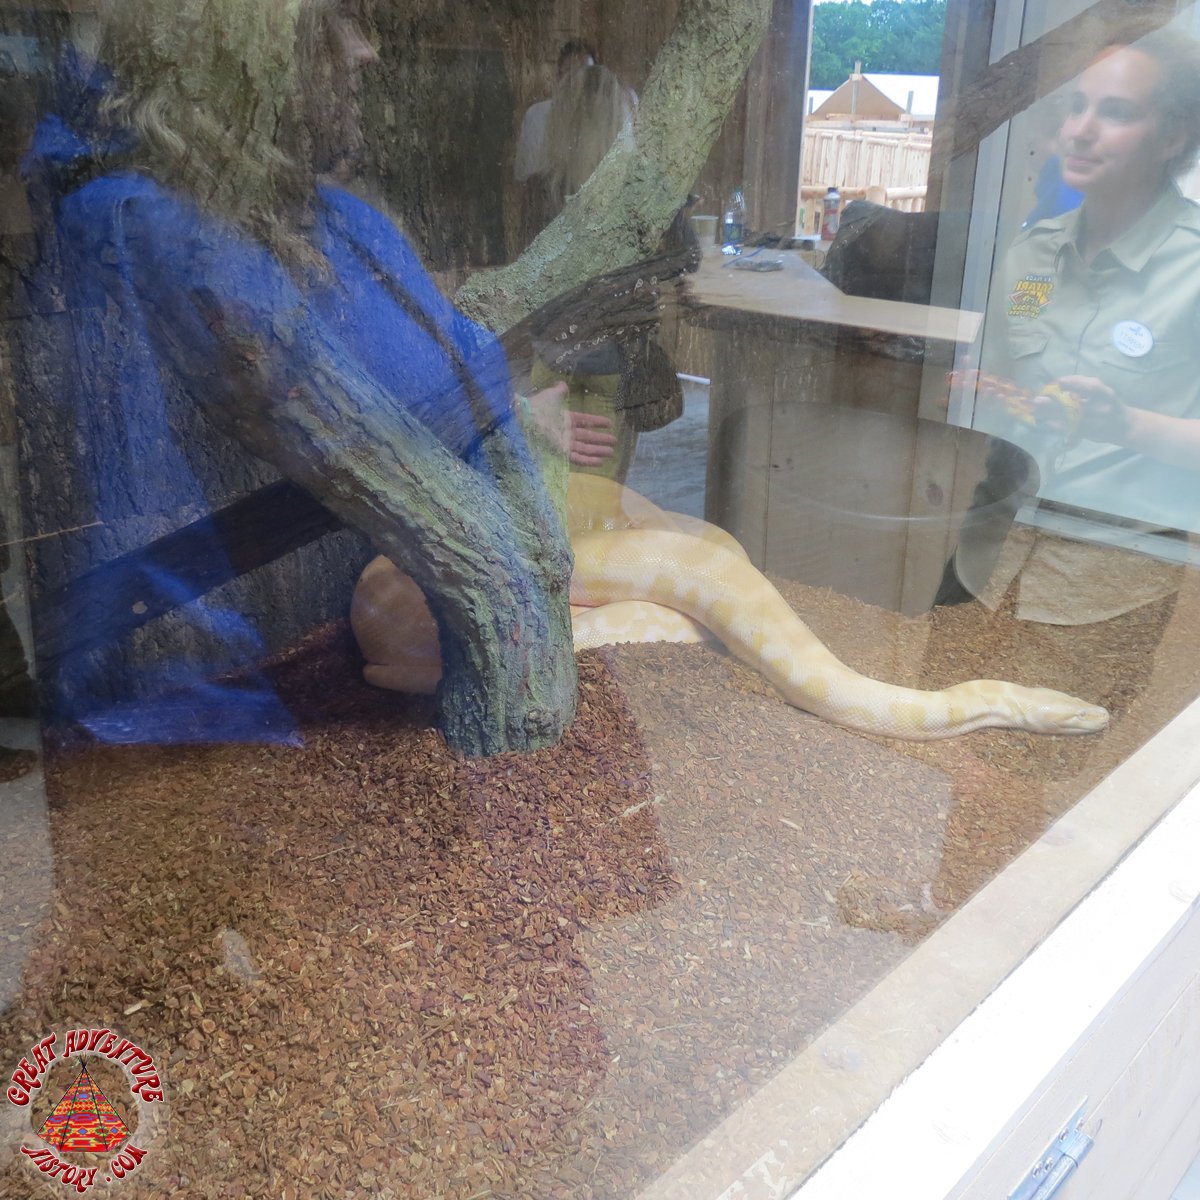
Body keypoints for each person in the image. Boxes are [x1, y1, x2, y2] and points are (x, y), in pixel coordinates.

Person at [15, 0, 613, 744]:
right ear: (245, 56)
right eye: (331, 26)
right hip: (207, 693)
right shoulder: (144, 226)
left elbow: (438, 382)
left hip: (356, 654)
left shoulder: (347, 223)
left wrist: (515, 408)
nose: (366, 51)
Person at [949, 32, 1200, 631]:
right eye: (1077, 106)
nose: (1080, 131)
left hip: (1110, 587)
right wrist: (982, 395)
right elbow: (1001, 392)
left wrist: (1127, 425)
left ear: (1172, 138)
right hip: (985, 557)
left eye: (1116, 112)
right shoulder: (1031, 254)